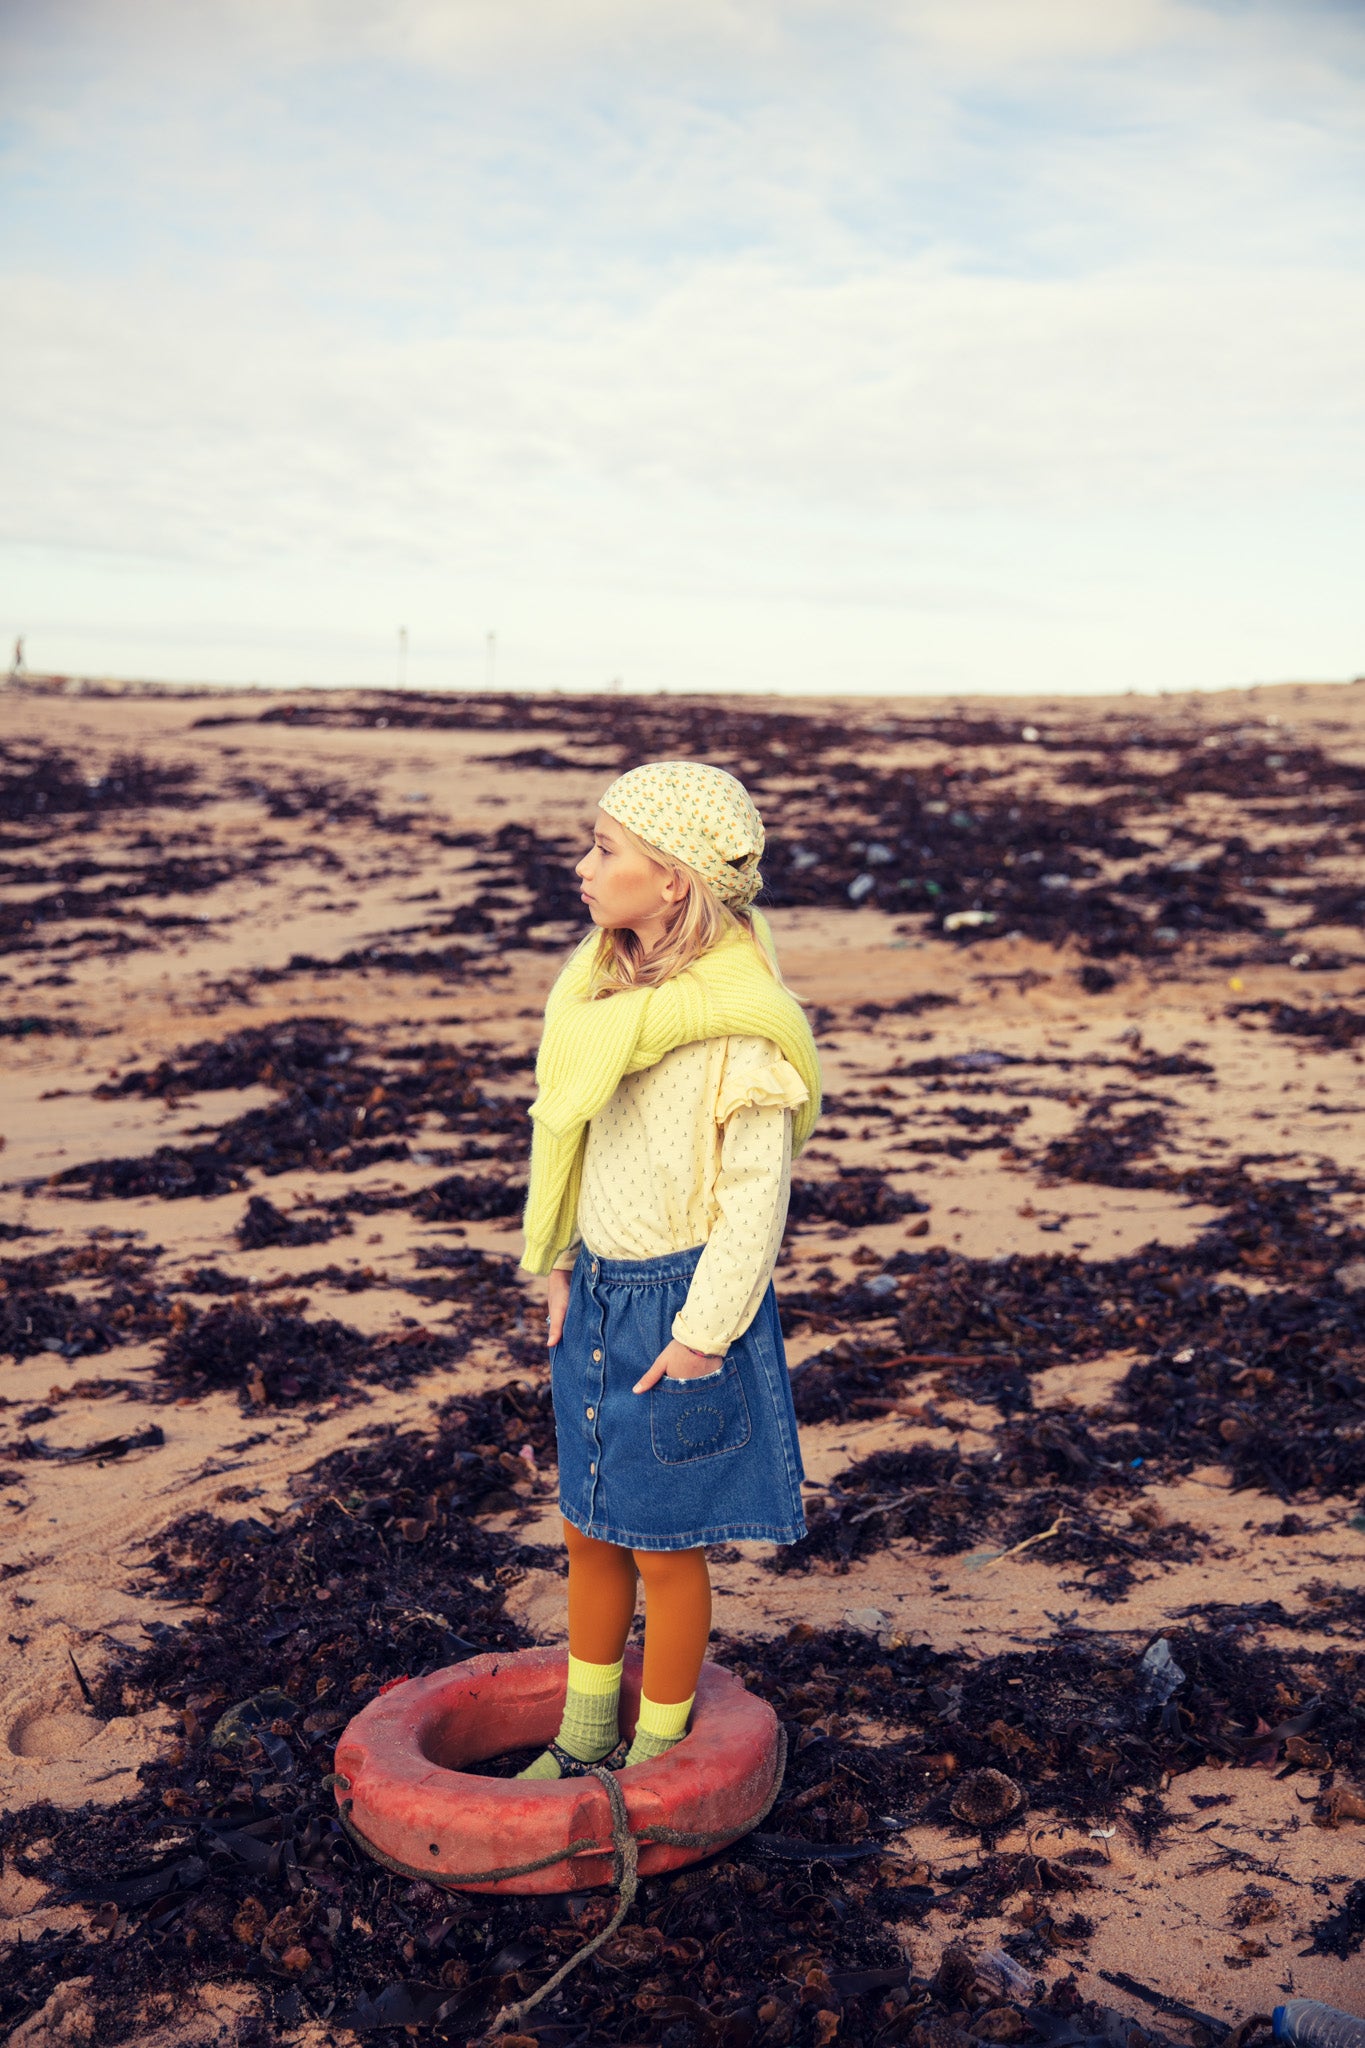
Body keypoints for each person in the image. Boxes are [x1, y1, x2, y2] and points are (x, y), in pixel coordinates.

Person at [516, 760, 821, 1779]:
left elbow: (753, 1203)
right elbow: (577, 1132)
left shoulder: (741, 1026)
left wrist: (702, 1334)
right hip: (599, 1289)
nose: (582, 867)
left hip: (681, 1310)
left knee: (662, 1542)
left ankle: (658, 1743)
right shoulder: (602, 988)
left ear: (675, 879)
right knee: (589, 1527)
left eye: (606, 850)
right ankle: (585, 1731)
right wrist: (560, 1259)